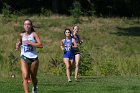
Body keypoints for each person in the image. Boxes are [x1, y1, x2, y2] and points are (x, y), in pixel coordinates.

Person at [16, 19, 43, 93]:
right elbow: (20, 41)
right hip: (24, 57)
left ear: (31, 26)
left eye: (28, 24)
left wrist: (30, 43)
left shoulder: (34, 34)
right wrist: (18, 44)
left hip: (34, 58)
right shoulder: (21, 35)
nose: (27, 26)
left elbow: (40, 45)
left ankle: (34, 87)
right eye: (25, 24)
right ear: (23, 26)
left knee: (33, 77)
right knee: (25, 76)